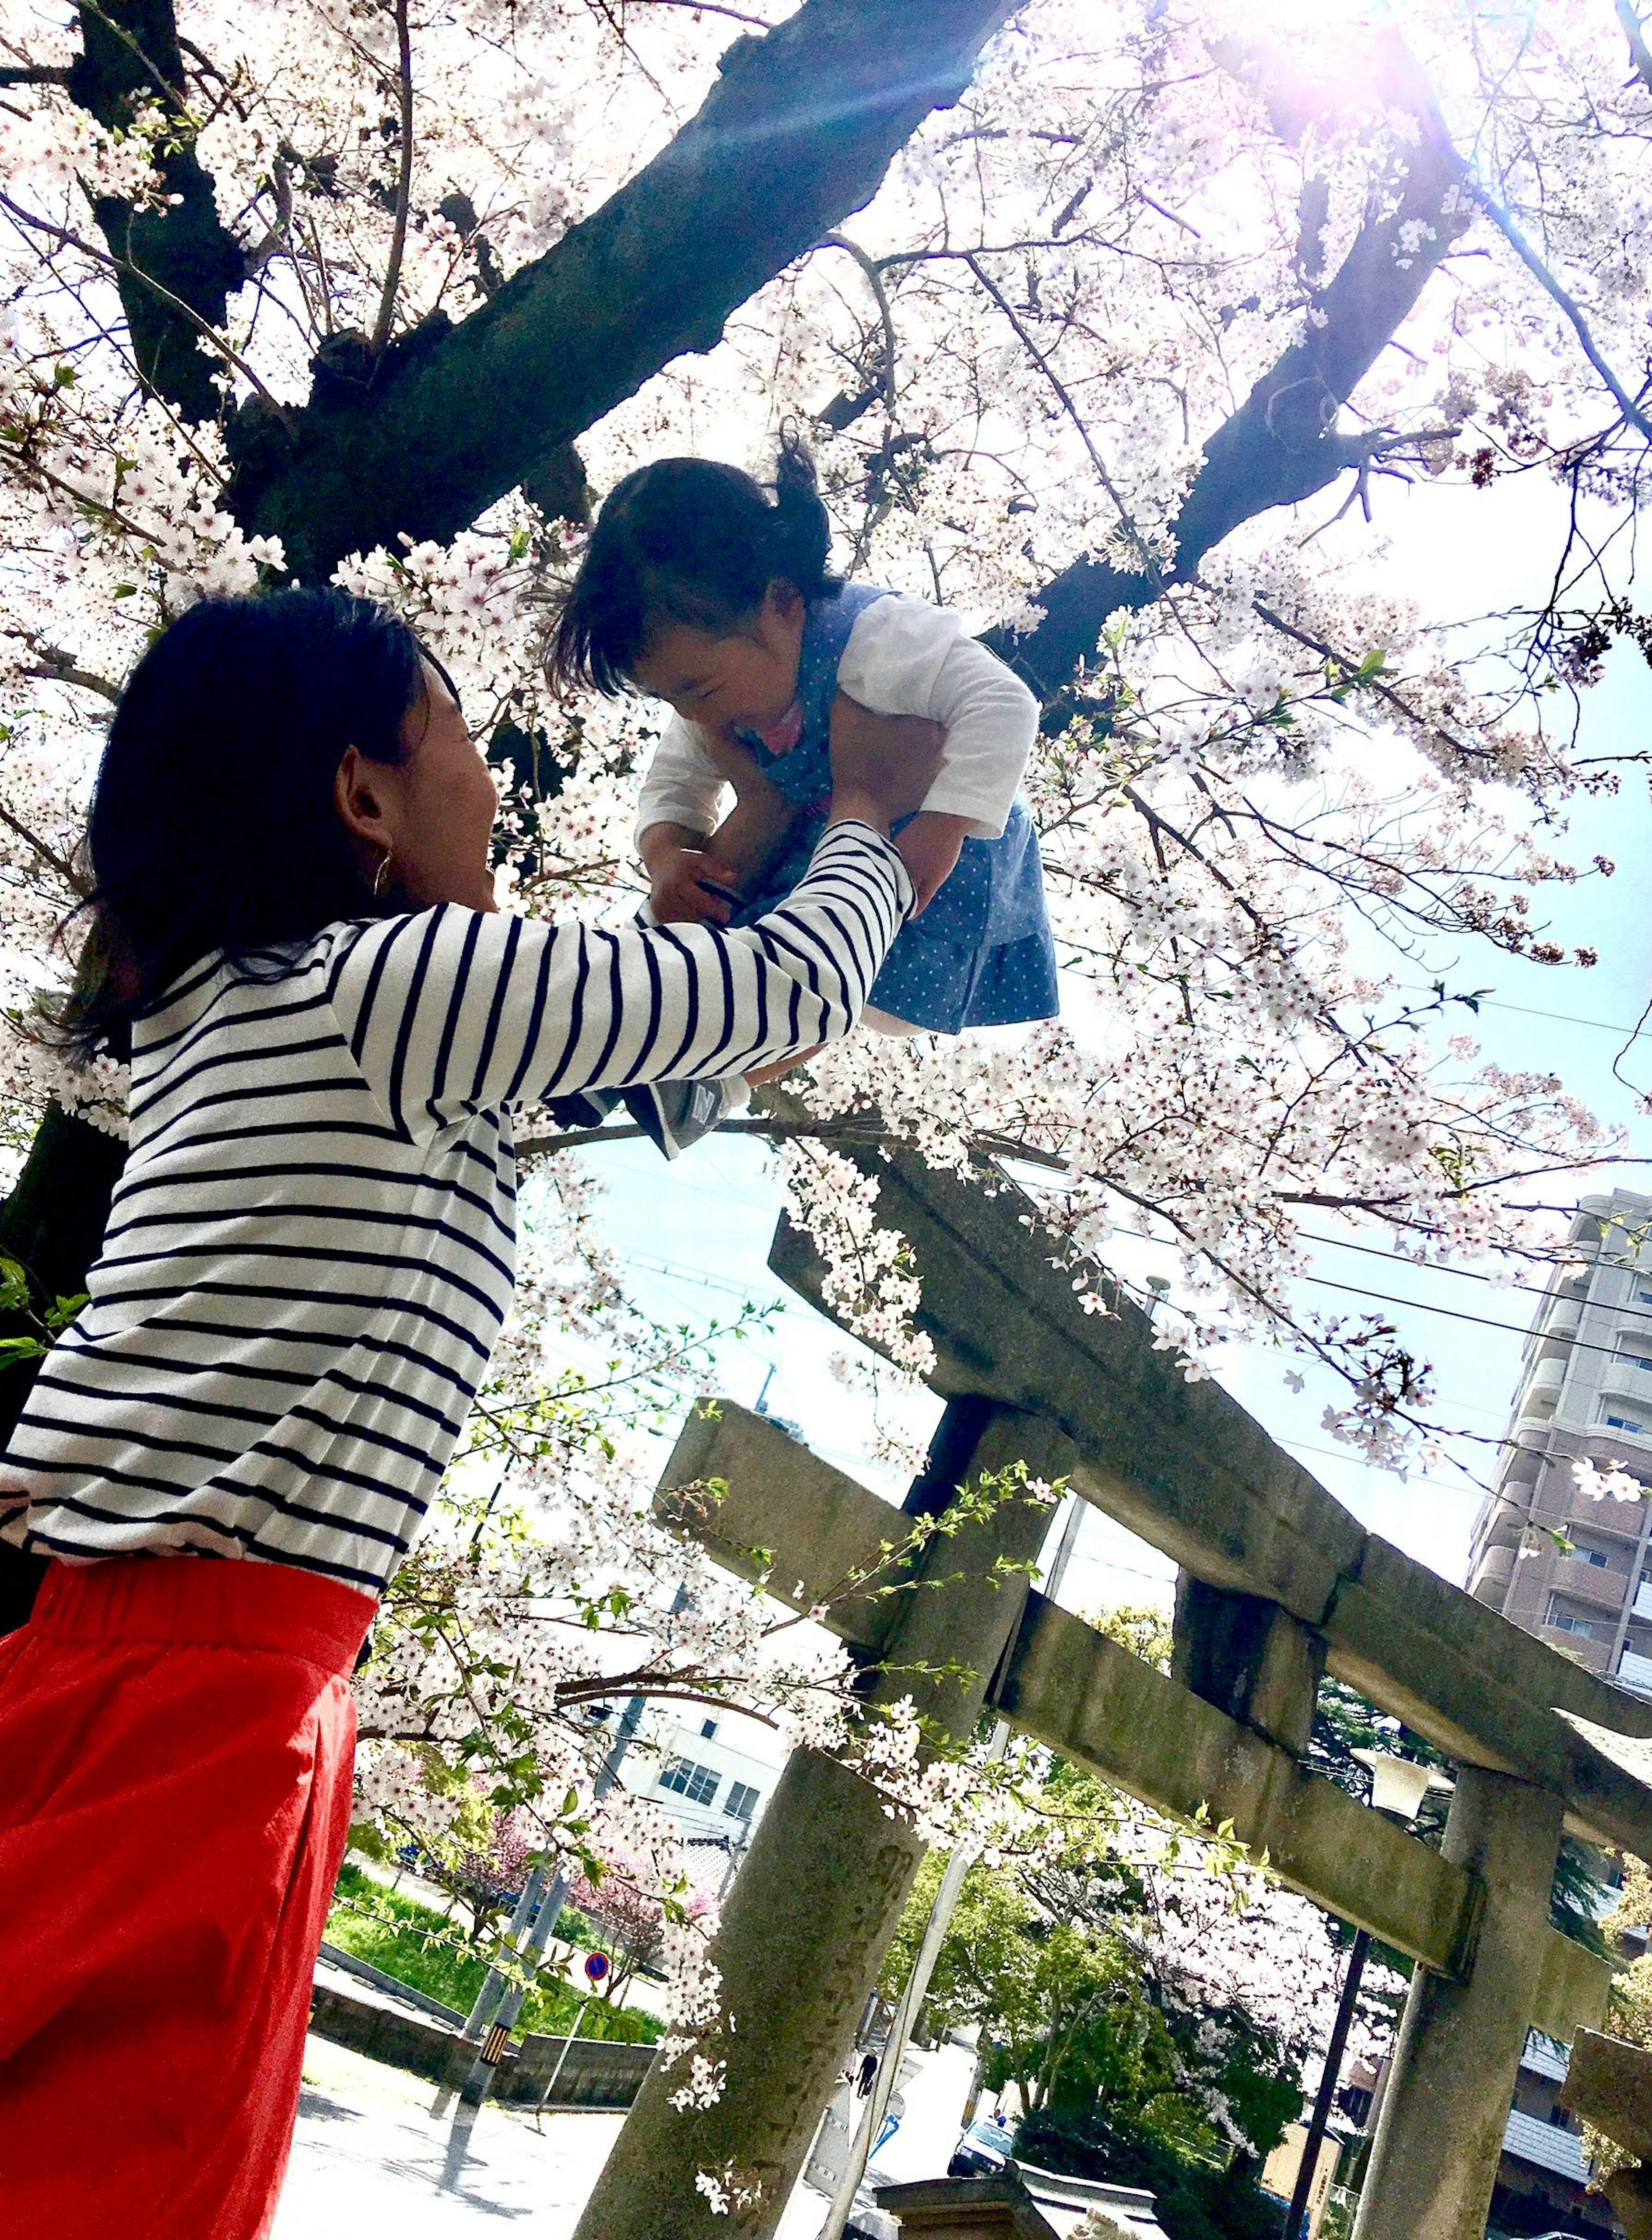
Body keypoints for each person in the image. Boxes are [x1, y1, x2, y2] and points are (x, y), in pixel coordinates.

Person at [0, 585, 939, 2240]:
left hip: (117, 1654)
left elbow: (657, 1056)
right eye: (456, 737)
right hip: (204, 1696)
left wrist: (757, 826)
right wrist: (869, 809)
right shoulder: (389, 990)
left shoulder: (242, 1002)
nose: (496, 785)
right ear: (361, 796)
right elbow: (780, 1001)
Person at [544, 432, 1059, 1156]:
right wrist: (666, 854)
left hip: (923, 861)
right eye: (666, 697)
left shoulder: (877, 638)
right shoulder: (714, 692)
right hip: (817, 854)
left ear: (782, 605)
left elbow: (1005, 704)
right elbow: (677, 782)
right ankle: (610, 1027)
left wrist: (943, 826)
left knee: (824, 982)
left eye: (695, 689)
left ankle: (714, 1087)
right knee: (722, 915)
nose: (689, 714)